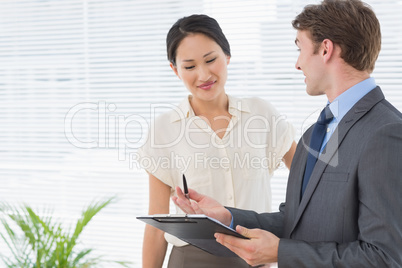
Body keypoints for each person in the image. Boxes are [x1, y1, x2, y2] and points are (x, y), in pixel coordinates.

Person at [173, 1, 402, 267]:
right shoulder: (312, 135)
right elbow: (295, 221)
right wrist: (227, 218)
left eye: (300, 48)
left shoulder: (386, 133)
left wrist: (281, 252)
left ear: (325, 49)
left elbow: (385, 258)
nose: (297, 64)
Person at [137, 14, 297, 268]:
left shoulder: (262, 115)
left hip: (255, 259)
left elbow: (312, 184)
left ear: (227, 56)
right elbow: (157, 226)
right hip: (190, 260)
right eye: (189, 66)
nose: (203, 74)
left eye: (211, 60)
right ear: (175, 70)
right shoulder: (164, 130)